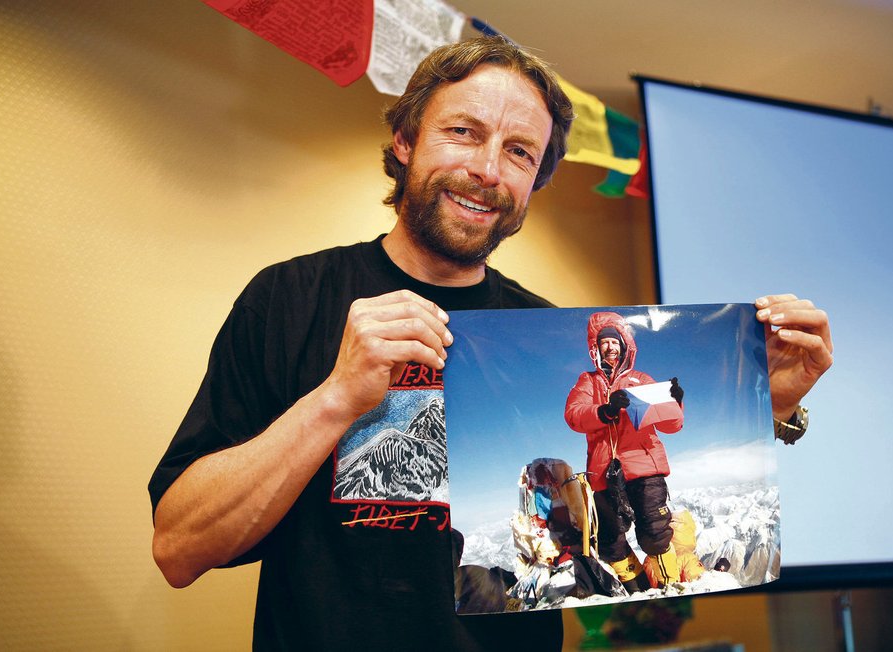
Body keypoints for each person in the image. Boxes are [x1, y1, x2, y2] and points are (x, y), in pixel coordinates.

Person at [148, 35, 834, 651]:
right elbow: (179, 548)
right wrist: (334, 400)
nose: (487, 168)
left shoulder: (549, 337)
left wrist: (765, 404)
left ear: (534, 181)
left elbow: (602, 453)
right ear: (405, 141)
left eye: (518, 152)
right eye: (463, 132)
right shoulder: (288, 299)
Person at [564, 311, 686, 591]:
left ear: (624, 345)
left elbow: (673, 424)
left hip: (644, 467)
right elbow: (574, 415)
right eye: (604, 342)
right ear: (595, 348)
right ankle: (639, 589)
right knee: (611, 544)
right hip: (604, 475)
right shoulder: (588, 382)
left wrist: (676, 401)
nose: (610, 346)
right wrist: (605, 410)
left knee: (655, 534)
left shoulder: (641, 380)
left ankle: (671, 590)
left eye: (614, 341)